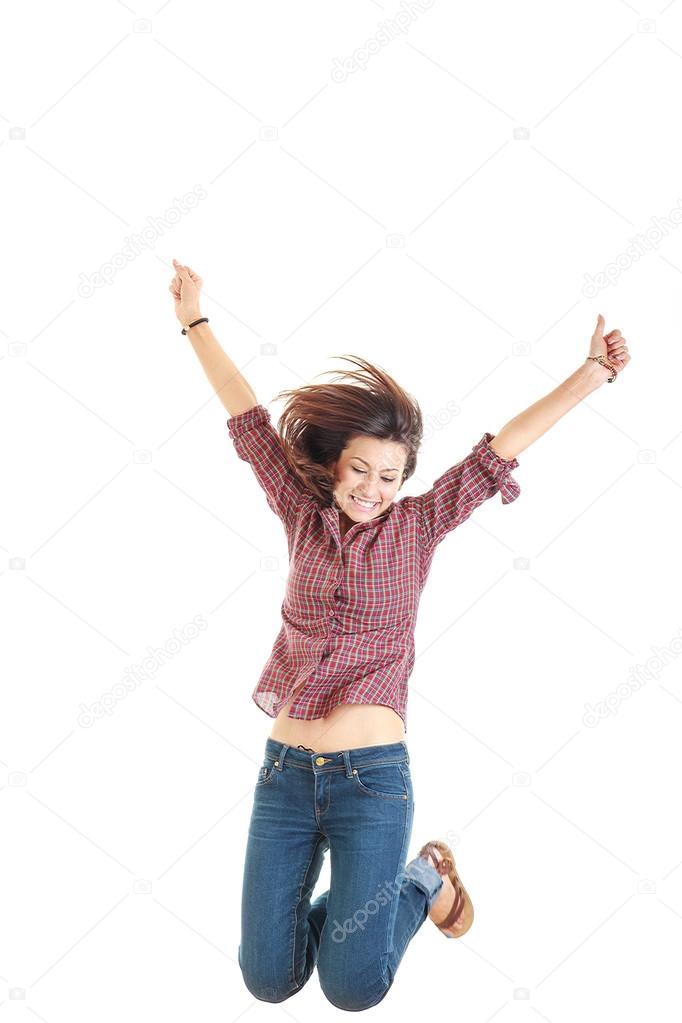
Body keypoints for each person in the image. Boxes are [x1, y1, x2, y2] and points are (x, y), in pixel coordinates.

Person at [169, 259, 630, 1010]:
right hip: (285, 776)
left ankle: (421, 881)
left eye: (390, 474)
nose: (373, 489)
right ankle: (385, 896)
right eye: (360, 470)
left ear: (405, 475)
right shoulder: (300, 514)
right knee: (269, 979)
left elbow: (503, 447)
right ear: (333, 465)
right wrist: (194, 320)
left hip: (372, 780)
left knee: (356, 987)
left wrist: (590, 374)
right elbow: (246, 414)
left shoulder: (419, 524)